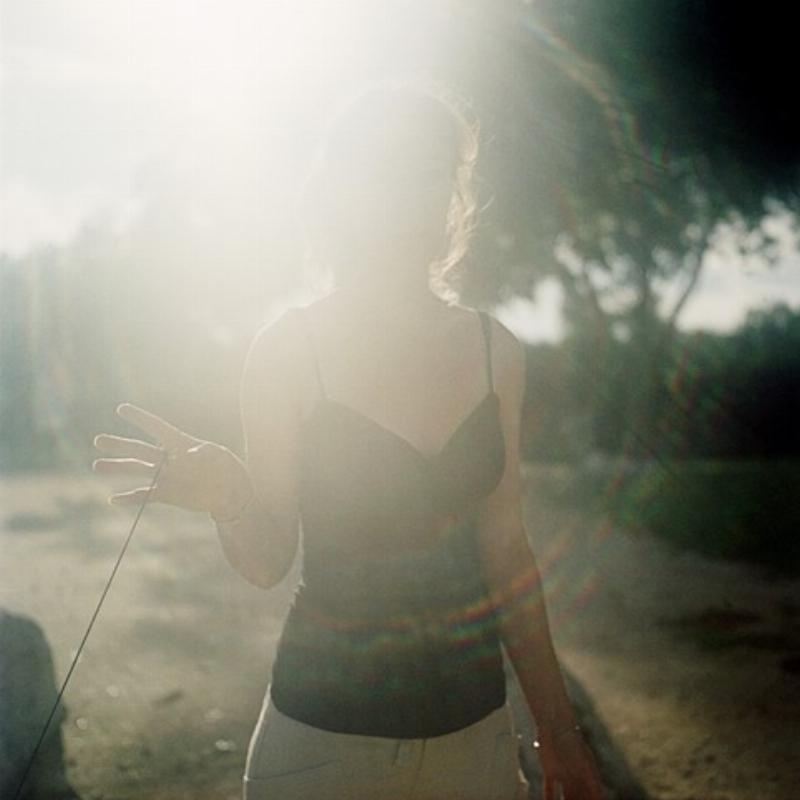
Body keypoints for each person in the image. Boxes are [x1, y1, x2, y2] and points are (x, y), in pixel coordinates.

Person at [92, 80, 606, 800]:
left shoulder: (498, 353)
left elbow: (507, 550)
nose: (410, 189)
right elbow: (270, 560)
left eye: (432, 170)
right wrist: (229, 498)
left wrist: (559, 731)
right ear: (341, 192)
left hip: (476, 743)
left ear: (450, 197)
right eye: (385, 168)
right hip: (320, 751)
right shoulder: (288, 350)